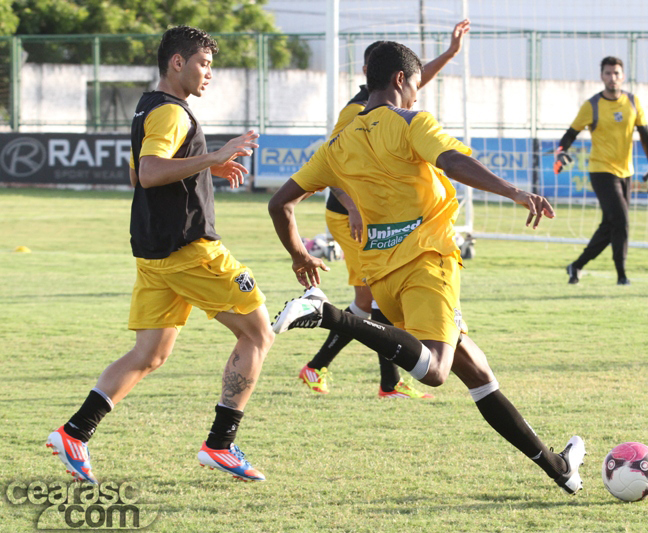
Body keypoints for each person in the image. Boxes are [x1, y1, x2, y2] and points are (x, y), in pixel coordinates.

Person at [268, 41, 586, 494]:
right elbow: (452, 161)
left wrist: (299, 254)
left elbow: (280, 204)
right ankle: (328, 314)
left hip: (384, 278)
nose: (417, 94)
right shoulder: (411, 122)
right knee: (436, 371)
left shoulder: (336, 144)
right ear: (400, 79)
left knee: (477, 373)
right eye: (416, 84)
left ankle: (560, 468)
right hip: (427, 263)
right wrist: (514, 192)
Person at [46, 26, 273, 483]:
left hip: (155, 254)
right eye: (203, 63)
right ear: (177, 62)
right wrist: (212, 157)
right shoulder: (171, 112)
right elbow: (149, 173)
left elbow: (137, 173)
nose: (209, 73)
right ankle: (220, 444)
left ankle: (75, 433)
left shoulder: (147, 106)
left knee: (149, 354)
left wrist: (204, 167)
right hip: (189, 250)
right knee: (257, 334)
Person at [302, 20, 471, 399]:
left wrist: (449, 54)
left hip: (380, 217)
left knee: (377, 301)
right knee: (368, 301)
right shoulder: (354, 114)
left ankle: (388, 382)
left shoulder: (391, 107)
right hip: (352, 216)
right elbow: (329, 166)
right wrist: (352, 207)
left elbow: (416, 80)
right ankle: (319, 366)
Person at [554, 56, 648, 285]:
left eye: (616, 73)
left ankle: (576, 266)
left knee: (610, 224)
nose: (613, 77)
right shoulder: (592, 105)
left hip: (626, 172)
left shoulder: (633, 102)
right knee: (621, 220)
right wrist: (561, 151)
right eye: (608, 73)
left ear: (623, 76)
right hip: (601, 170)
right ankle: (621, 275)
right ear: (602, 76)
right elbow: (571, 133)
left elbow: (644, 134)